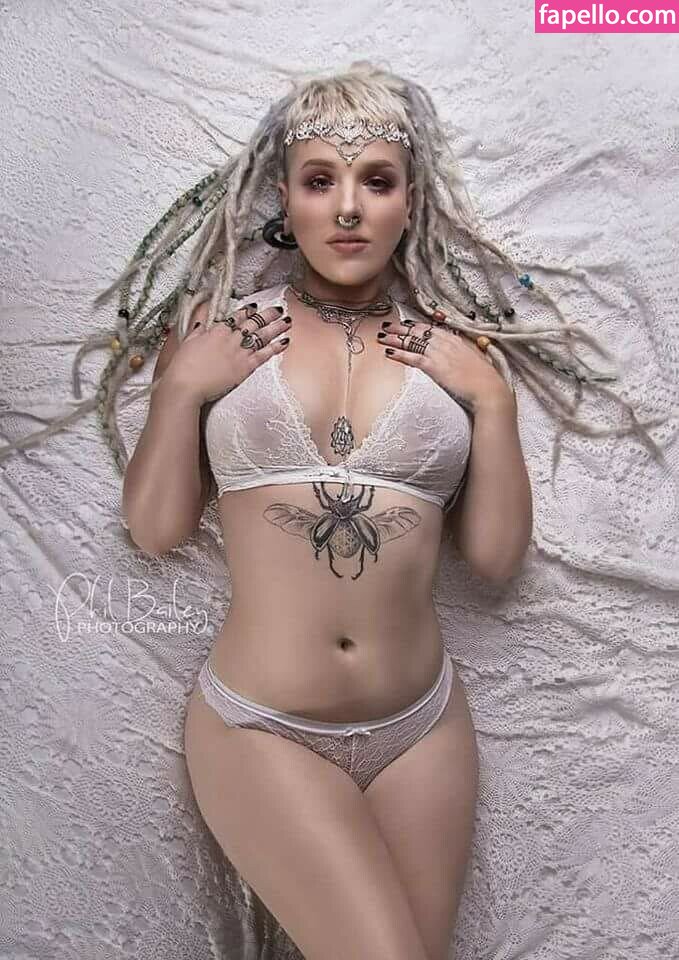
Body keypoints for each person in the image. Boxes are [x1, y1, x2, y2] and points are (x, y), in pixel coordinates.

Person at [0, 61, 668, 960]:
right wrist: (180, 389)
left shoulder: (452, 354)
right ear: (285, 197)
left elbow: (495, 560)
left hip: (422, 729)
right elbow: (155, 531)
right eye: (320, 181)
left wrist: (491, 399)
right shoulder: (227, 337)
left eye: (376, 182)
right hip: (260, 725)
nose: (347, 209)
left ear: (409, 201)